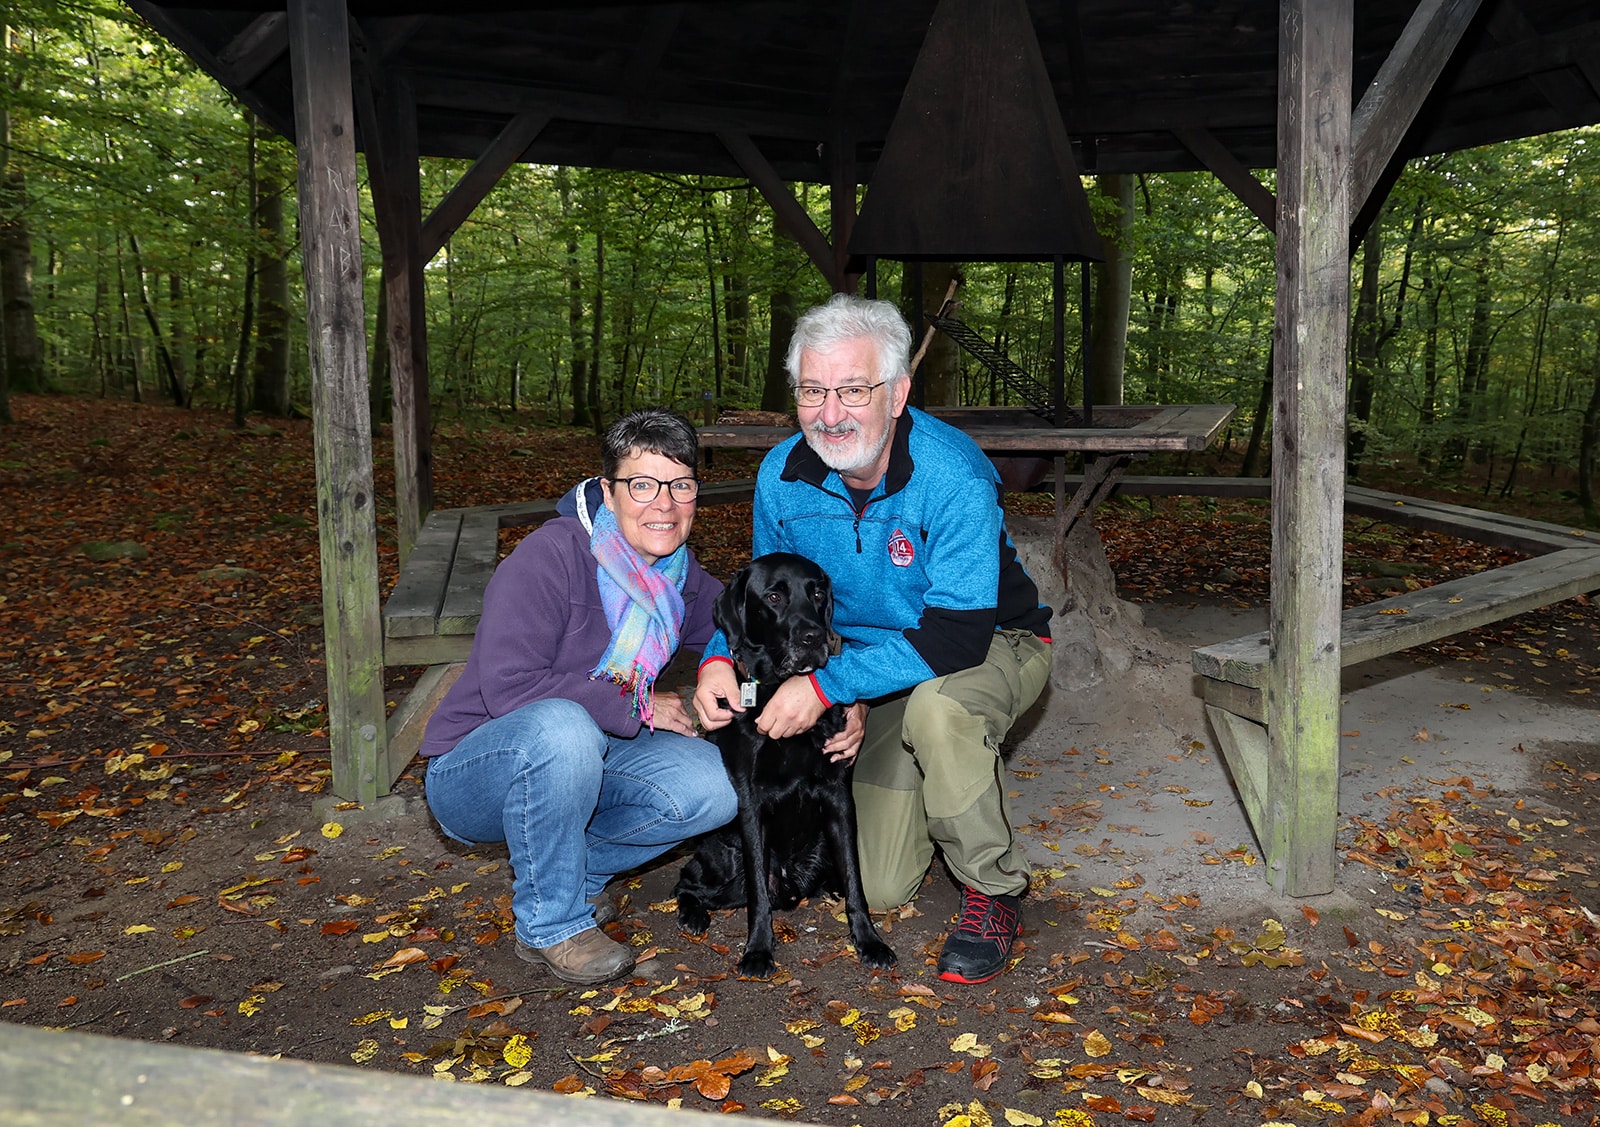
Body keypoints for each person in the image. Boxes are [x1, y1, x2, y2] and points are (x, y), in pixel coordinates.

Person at [694, 293, 1052, 985]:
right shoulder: (782, 474)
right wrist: (717, 662)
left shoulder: (953, 474)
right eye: (813, 390)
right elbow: (762, 597)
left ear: (898, 391)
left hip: (992, 643)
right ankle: (948, 772)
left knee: (939, 711)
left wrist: (830, 685)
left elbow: (955, 635)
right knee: (883, 885)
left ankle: (993, 885)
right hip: (863, 661)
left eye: (854, 388)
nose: (831, 413)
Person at [421, 408, 737, 985]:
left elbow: (735, 622)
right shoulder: (551, 556)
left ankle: (570, 877)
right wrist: (639, 705)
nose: (663, 505)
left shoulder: (676, 573)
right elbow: (509, 685)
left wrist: (719, 660)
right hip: (479, 768)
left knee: (711, 789)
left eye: (681, 485)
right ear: (607, 491)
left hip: (590, 748)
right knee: (563, 727)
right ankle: (552, 924)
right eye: (641, 484)